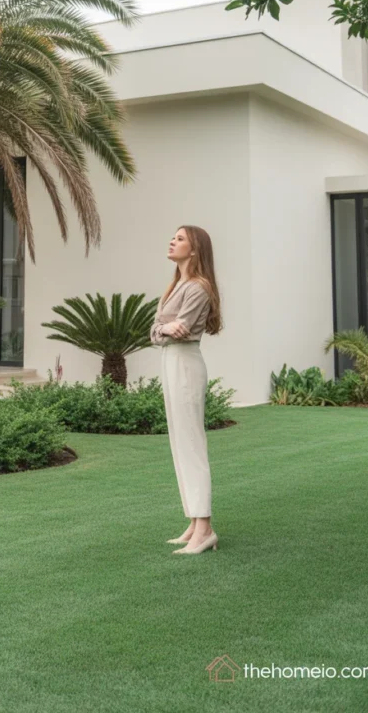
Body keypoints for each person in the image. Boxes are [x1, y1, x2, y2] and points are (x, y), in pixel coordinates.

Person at [149, 225, 224, 555]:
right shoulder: (175, 285)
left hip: (185, 364)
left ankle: (205, 528)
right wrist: (165, 328)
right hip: (171, 362)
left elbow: (177, 333)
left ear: (194, 250)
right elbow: (157, 332)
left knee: (191, 445)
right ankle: (194, 523)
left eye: (179, 238)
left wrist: (163, 330)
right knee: (180, 445)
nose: (172, 241)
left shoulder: (198, 288)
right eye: (173, 237)